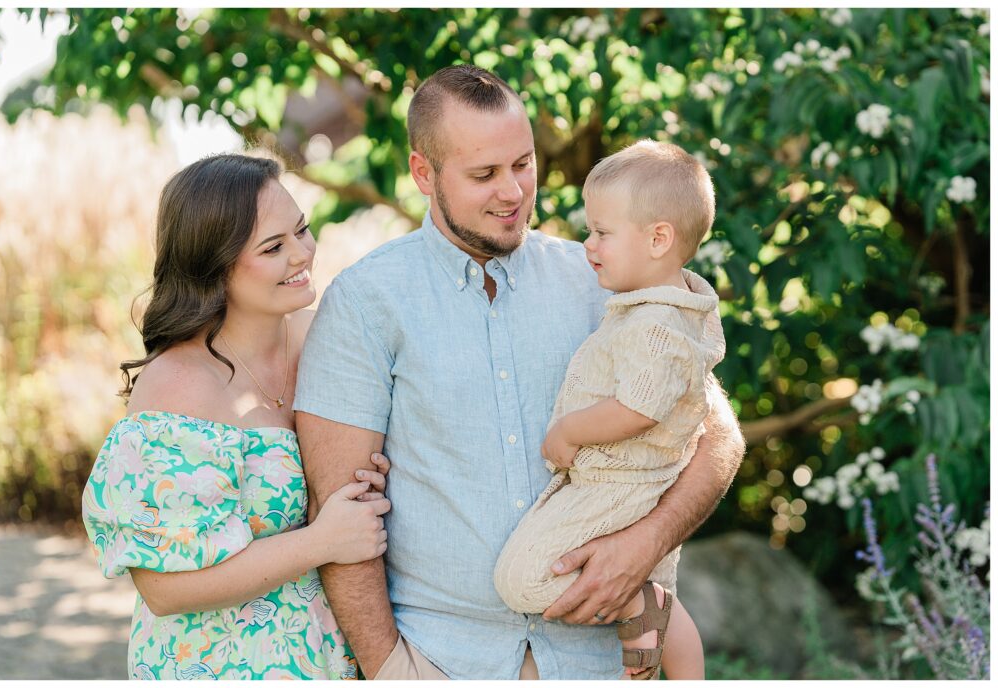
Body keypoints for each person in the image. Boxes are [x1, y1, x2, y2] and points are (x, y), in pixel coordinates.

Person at [295, 65, 745, 680]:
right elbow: (339, 507)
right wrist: (390, 671)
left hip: (598, 660)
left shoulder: (606, 280)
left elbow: (716, 435)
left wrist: (645, 546)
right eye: (484, 174)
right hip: (444, 660)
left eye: (523, 165)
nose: (512, 192)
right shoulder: (365, 302)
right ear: (423, 172)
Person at [81, 154, 391, 679]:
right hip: (216, 667)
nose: (302, 255)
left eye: (302, 231)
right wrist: (322, 540)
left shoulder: (323, 338)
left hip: (326, 660)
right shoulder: (178, 387)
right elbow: (163, 589)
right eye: (273, 247)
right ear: (215, 266)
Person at [494, 140, 723, 680]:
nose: (588, 244)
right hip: (643, 481)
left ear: (658, 238)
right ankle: (659, 645)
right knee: (661, 592)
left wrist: (569, 432)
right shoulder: (669, 303)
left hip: (620, 482)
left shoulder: (657, 326)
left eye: (602, 232)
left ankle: (637, 608)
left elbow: (639, 406)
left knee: (521, 578)